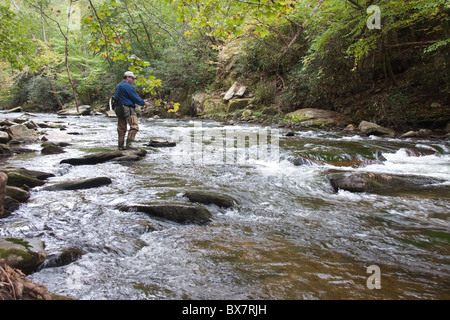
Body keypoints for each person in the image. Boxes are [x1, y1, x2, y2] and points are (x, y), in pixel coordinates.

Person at [114, 71, 150, 150]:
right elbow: (134, 97)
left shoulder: (118, 86)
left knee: (121, 129)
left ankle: (120, 146)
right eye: (132, 78)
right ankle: (129, 145)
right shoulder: (127, 86)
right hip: (127, 108)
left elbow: (116, 98)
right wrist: (143, 103)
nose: (133, 80)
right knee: (134, 126)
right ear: (127, 77)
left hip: (118, 108)